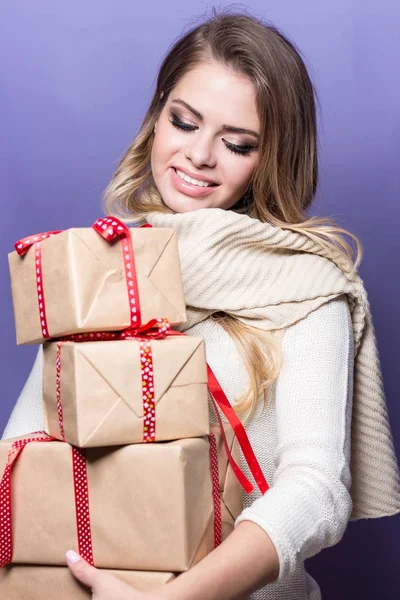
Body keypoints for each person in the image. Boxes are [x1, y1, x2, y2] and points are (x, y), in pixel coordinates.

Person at [3, 10, 400, 600]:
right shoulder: (101, 266)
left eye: (237, 143)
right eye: (183, 122)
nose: (198, 156)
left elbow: (316, 487)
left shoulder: (305, 285)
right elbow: (24, 454)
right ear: (157, 115)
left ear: (272, 159)